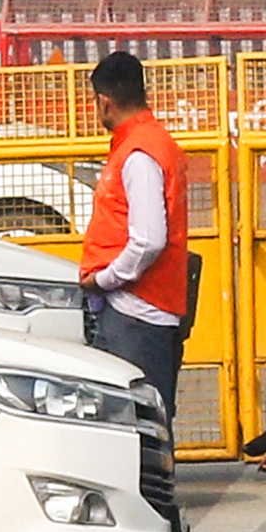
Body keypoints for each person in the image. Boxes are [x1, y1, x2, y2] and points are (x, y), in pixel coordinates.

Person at [79, 51, 189, 422]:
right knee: (138, 420)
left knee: (137, 423)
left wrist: (104, 280)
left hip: (136, 312)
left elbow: (148, 240)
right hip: (143, 308)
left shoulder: (139, 153)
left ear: (104, 102)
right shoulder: (147, 143)